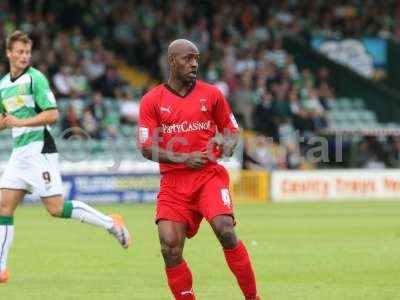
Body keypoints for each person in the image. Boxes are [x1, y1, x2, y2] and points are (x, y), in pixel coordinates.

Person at [0, 31, 131, 284]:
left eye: (27, 52)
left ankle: (111, 223)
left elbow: (52, 114)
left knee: (56, 209)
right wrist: (6, 124)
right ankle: (1, 268)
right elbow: (4, 120)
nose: (23, 56)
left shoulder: (35, 79)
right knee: (3, 206)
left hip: (40, 150)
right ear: (9, 53)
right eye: (19, 52)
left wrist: (21, 121)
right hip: (20, 153)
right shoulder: (3, 85)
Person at [138, 39, 261, 300]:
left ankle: (253, 298)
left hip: (208, 177)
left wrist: (226, 145)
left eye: (196, 58)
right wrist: (183, 158)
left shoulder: (212, 94)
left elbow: (230, 129)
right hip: (173, 183)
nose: (194, 63)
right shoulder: (152, 101)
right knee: (169, 248)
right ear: (172, 61)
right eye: (187, 58)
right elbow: (146, 147)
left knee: (225, 230)